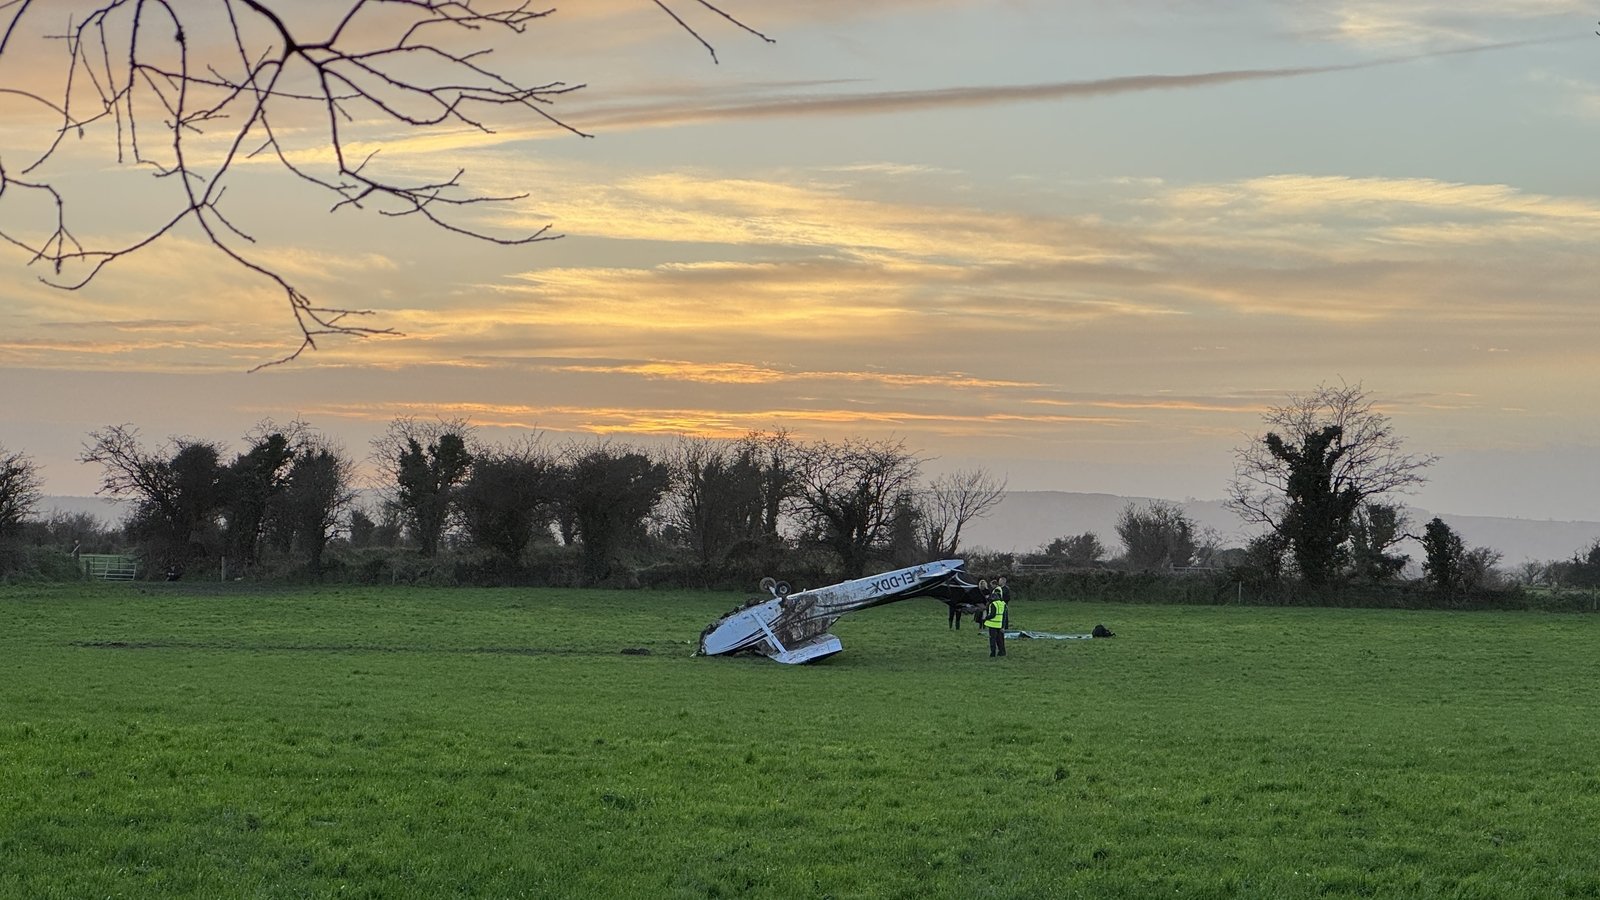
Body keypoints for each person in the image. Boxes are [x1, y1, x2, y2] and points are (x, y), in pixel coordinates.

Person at [984, 584, 1008, 658]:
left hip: (993, 625)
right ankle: (1002, 652)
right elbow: (1004, 616)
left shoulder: (993, 604)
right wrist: (1003, 626)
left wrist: (986, 618)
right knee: (1000, 640)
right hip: (1000, 624)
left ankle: (993, 653)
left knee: (992, 640)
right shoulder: (1002, 604)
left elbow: (992, 615)